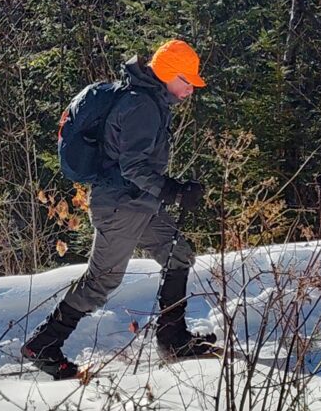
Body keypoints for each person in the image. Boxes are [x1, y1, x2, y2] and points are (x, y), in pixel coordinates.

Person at [22, 39, 221, 380]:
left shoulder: (151, 100)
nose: (191, 89)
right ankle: (44, 345)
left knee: (179, 254)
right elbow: (134, 168)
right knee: (102, 281)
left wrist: (171, 188)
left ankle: (172, 338)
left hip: (137, 203)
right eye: (188, 81)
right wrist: (173, 189)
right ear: (171, 75)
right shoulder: (142, 105)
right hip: (120, 206)